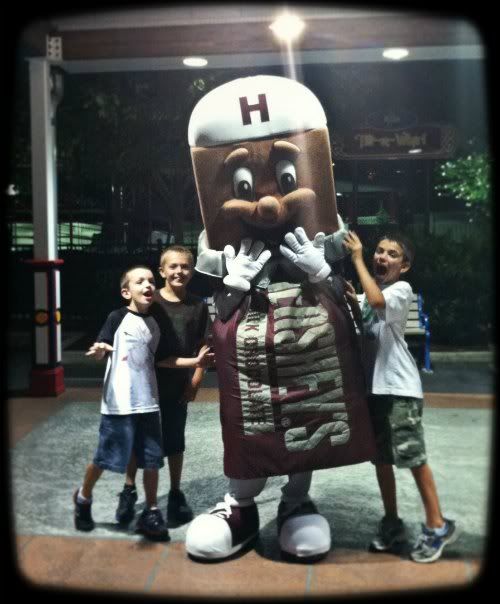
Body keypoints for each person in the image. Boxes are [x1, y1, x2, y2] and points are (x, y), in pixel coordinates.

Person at [343, 230, 458, 564]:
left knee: (412, 458)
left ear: (404, 266)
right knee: (381, 460)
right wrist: (353, 301)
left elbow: (377, 303)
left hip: (400, 390)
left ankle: (437, 526)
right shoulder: (369, 295)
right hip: (375, 391)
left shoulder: (400, 289)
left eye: (392, 254)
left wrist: (357, 258)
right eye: (379, 251)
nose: (382, 257)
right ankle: (392, 523)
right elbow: (366, 312)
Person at [115, 245, 212, 529]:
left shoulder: (198, 306)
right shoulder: (151, 302)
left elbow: (203, 345)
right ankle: (129, 489)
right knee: (140, 437)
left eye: (185, 266)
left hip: (177, 385)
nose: (179, 271)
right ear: (162, 271)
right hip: (145, 384)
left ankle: (175, 492)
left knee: (175, 439)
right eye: (173, 266)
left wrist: (196, 379)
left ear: (192, 271)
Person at [73, 265, 168, 541]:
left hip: (149, 403)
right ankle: (83, 497)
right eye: (140, 282)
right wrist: (101, 348)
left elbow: (158, 358)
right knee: (105, 458)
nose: (148, 285)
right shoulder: (117, 317)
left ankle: (151, 511)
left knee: (152, 461)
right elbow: (103, 342)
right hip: (119, 405)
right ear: (126, 291)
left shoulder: (155, 323)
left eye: (151, 281)